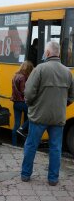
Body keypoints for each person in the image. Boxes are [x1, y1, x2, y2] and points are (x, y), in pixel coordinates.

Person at [21, 41, 74, 186]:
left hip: (39, 116)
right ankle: (53, 179)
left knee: (31, 145)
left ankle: (25, 175)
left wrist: (31, 105)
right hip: (58, 117)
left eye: (45, 51)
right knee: (56, 148)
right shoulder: (67, 72)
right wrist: (62, 105)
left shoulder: (40, 69)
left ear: (48, 53)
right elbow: (71, 96)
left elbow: (29, 93)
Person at [11, 61, 34, 146]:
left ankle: (14, 144)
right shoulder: (23, 77)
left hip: (16, 103)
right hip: (23, 102)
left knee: (16, 123)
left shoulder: (15, 76)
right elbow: (23, 91)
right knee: (33, 117)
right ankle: (22, 128)